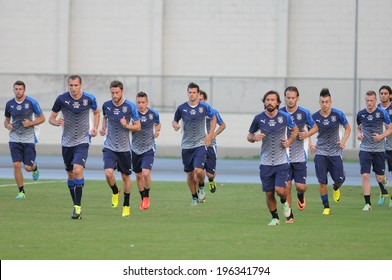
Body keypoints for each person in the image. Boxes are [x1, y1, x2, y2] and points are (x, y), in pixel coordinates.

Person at [48, 75, 100, 219]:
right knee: (71, 174)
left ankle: (77, 207)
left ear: (81, 85)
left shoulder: (89, 98)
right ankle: (75, 204)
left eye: (76, 85)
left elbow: (96, 113)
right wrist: (56, 121)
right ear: (68, 85)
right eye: (71, 85)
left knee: (78, 170)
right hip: (67, 142)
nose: (73, 88)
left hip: (83, 140)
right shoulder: (61, 99)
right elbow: (51, 118)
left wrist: (95, 128)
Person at [247, 90, 298, 226]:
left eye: (272, 100)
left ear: (277, 102)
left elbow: (295, 130)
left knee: (280, 190)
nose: (270, 102)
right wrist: (255, 138)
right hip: (265, 162)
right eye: (267, 100)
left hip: (282, 161)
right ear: (264, 102)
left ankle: (284, 202)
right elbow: (249, 136)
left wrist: (290, 141)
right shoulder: (259, 118)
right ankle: (275, 218)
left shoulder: (285, 117)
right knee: (269, 193)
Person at [99, 81, 141, 217]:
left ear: (122, 91)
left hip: (124, 148)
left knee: (125, 177)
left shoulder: (130, 107)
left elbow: (138, 127)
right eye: (112, 92)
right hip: (109, 146)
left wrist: (126, 125)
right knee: (108, 173)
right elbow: (104, 117)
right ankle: (115, 191)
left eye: (117, 92)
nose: (114, 95)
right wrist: (103, 127)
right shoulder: (106, 105)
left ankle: (126, 205)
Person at [172, 82, 216, 206]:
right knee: (190, 173)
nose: (192, 95)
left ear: (198, 94)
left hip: (200, 144)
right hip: (186, 145)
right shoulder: (182, 108)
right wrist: (175, 125)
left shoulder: (204, 107)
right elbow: (174, 120)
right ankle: (194, 196)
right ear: (188, 93)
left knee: (198, 170)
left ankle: (201, 186)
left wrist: (210, 134)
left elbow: (213, 119)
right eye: (190, 92)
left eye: (194, 93)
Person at [311, 88, 351, 215]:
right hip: (320, 152)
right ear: (319, 102)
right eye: (322, 102)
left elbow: (348, 128)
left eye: (326, 102)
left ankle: (336, 187)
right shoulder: (314, 117)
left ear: (330, 102)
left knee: (340, 179)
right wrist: (311, 145)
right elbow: (307, 132)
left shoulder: (338, 114)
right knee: (322, 181)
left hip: (335, 152)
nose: (324, 104)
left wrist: (343, 141)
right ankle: (326, 207)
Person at [280, 86, 318, 223]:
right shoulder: (280, 113)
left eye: (293, 98)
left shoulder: (304, 113)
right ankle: (289, 216)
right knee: (287, 186)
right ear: (285, 98)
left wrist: (307, 134)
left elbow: (315, 127)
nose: (290, 100)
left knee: (300, 186)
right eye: (288, 97)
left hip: (300, 155)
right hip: (283, 156)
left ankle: (301, 195)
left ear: (297, 98)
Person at [4, 80, 45, 198]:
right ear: (13, 90)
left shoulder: (32, 102)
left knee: (27, 167)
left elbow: (42, 118)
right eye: (16, 89)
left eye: (20, 89)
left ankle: (34, 167)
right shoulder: (9, 104)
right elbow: (6, 121)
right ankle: (21, 191)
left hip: (28, 138)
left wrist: (31, 123)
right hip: (14, 137)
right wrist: (8, 125)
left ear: (24, 90)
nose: (18, 91)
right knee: (16, 165)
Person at [357, 90, 392, 210]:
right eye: (367, 100)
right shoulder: (361, 114)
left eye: (371, 100)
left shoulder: (382, 113)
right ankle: (368, 203)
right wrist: (359, 134)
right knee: (365, 175)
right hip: (365, 149)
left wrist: (381, 136)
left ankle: (384, 180)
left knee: (380, 178)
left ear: (375, 100)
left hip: (379, 150)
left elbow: (390, 128)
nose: (369, 103)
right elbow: (358, 127)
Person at [131, 91, 160, 211]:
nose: (140, 104)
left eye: (143, 102)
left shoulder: (153, 114)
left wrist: (157, 131)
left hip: (148, 148)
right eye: (138, 102)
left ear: (147, 102)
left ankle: (147, 196)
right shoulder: (132, 115)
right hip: (135, 149)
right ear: (135, 103)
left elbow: (158, 124)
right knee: (138, 176)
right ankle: (142, 197)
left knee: (145, 173)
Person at [198, 90, 226, 195]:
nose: (199, 102)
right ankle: (200, 190)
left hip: (210, 145)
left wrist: (214, 134)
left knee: (210, 174)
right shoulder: (194, 113)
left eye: (201, 100)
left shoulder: (212, 112)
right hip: (197, 145)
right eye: (197, 100)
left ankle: (211, 180)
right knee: (198, 171)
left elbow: (223, 125)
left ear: (205, 100)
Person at [377, 85, 392, 206]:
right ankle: (383, 191)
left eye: (385, 93)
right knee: (379, 173)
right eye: (381, 93)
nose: (383, 95)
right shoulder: (376, 109)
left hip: (391, 146)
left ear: (390, 95)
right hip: (378, 146)